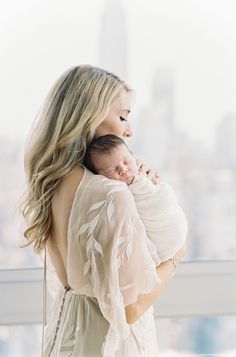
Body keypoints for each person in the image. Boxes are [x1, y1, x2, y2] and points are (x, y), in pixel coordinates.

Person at [19, 65, 187, 357]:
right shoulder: (111, 195)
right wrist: (176, 257)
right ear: (89, 114)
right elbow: (130, 309)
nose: (129, 130)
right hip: (110, 345)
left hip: (66, 337)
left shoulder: (52, 181)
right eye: (122, 116)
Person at [83, 134, 188, 267]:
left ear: (133, 157)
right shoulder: (113, 192)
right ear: (99, 176)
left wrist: (147, 186)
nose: (123, 170)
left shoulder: (144, 175)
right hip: (160, 247)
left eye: (126, 162)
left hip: (172, 226)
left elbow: (161, 196)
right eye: (112, 169)